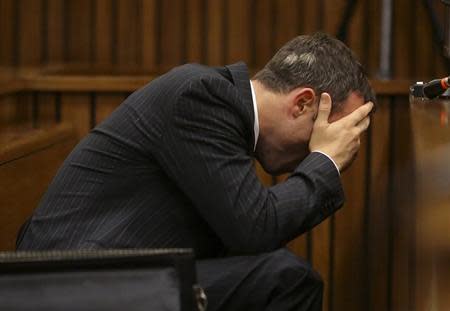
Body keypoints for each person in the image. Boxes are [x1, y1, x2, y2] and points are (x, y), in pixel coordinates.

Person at [17, 33, 375, 310]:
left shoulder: (222, 112)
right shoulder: (201, 96)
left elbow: (245, 232)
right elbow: (255, 227)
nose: (313, 151)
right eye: (323, 134)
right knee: (286, 279)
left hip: (105, 277)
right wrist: (326, 161)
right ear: (302, 103)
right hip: (72, 285)